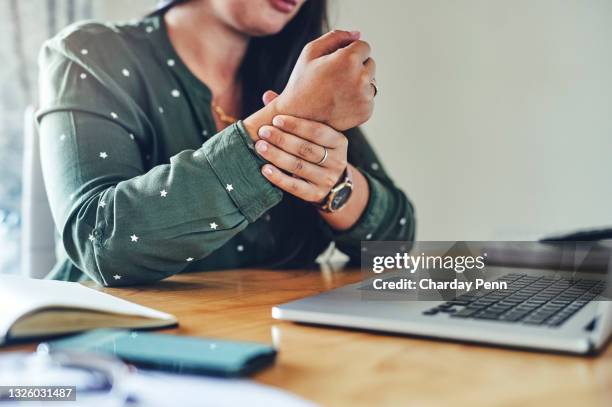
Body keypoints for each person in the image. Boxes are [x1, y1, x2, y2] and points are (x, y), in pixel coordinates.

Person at [36, 0, 415, 286]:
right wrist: (289, 113)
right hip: (112, 365)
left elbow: (395, 244)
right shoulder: (91, 54)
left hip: (280, 354)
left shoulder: (293, 73)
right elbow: (101, 243)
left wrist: (335, 187)